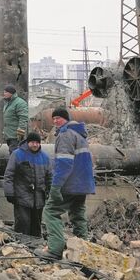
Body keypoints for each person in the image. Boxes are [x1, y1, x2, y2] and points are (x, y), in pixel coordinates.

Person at [39, 107, 95, 259]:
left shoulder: (65, 134)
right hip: (83, 184)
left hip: (71, 183)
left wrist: (56, 186)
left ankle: (54, 249)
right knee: (77, 213)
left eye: (59, 118)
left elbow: (64, 163)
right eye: (54, 118)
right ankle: (82, 249)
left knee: (51, 211)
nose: (56, 121)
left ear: (67, 119)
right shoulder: (80, 134)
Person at [2, 131, 51, 237]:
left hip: (38, 200)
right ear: (27, 142)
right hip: (22, 198)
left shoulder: (45, 157)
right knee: (23, 225)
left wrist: (50, 192)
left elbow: (49, 177)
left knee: (36, 227)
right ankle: (21, 247)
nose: (35, 145)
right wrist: (9, 193)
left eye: (37, 142)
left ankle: (35, 248)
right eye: (32, 142)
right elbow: (9, 175)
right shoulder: (17, 154)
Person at [1, 85, 29, 151]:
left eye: (5, 92)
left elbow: (23, 118)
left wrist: (20, 133)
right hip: (9, 135)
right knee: (13, 153)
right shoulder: (8, 103)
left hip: (15, 136)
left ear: (11, 93)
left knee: (15, 154)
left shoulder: (20, 103)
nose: (4, 94)